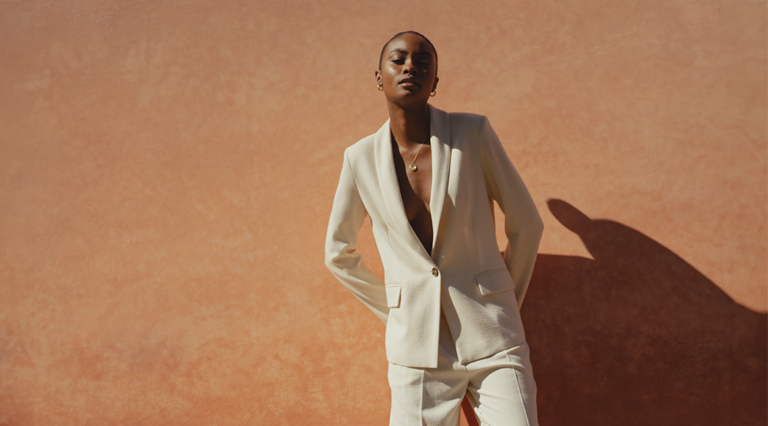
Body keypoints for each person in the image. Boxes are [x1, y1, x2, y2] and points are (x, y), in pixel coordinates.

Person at [325, 31, 544, 426]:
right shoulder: (359, 159)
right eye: (399, 59)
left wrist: (504, 299)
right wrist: (396, 312)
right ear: (379, 76)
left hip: (494, 341)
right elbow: (338, 253)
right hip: (416, 351)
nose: (411, 66)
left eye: (423, 62)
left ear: (435, 83)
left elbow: (526, 224)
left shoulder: (472, 134)